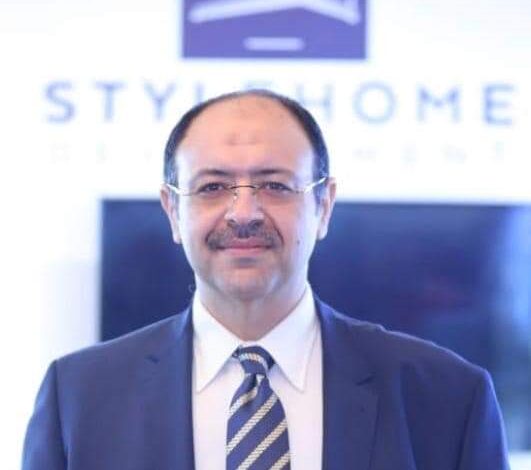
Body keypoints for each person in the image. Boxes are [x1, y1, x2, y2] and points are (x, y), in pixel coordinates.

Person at [22, 90, 509, 469]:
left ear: (323, 205)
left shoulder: (448, 397)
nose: (244, 213)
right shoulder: (79, 398)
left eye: (275, 185)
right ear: (172, 210)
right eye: (212, 187)